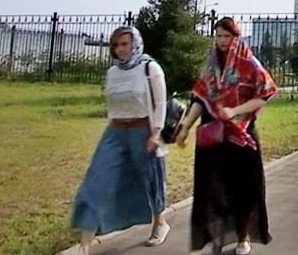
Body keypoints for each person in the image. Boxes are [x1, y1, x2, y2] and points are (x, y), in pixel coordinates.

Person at [175, 16, 277, 255]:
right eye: (218, 36)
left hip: (240, 135)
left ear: (235, 37)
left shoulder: (248, 63)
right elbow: (200, 98)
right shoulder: (210, 64)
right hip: (212, 135)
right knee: (212, 188)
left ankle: (243, 237)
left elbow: (265, 93)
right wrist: (186, 126)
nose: (222, 41)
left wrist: (234, 111)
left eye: (226, 36)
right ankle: (217, 237)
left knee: (244, 188)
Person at [70, 26, 170, 254]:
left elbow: (160, 103)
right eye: (116, 45)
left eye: (125, 44)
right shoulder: (113, 72)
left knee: (150, 179)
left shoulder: (149, 68)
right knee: (95, 181)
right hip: (115, 131)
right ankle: (84, 246)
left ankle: (160, 222)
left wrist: (156, 132)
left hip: (143, 129)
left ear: (135, 43)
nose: (121, 49)